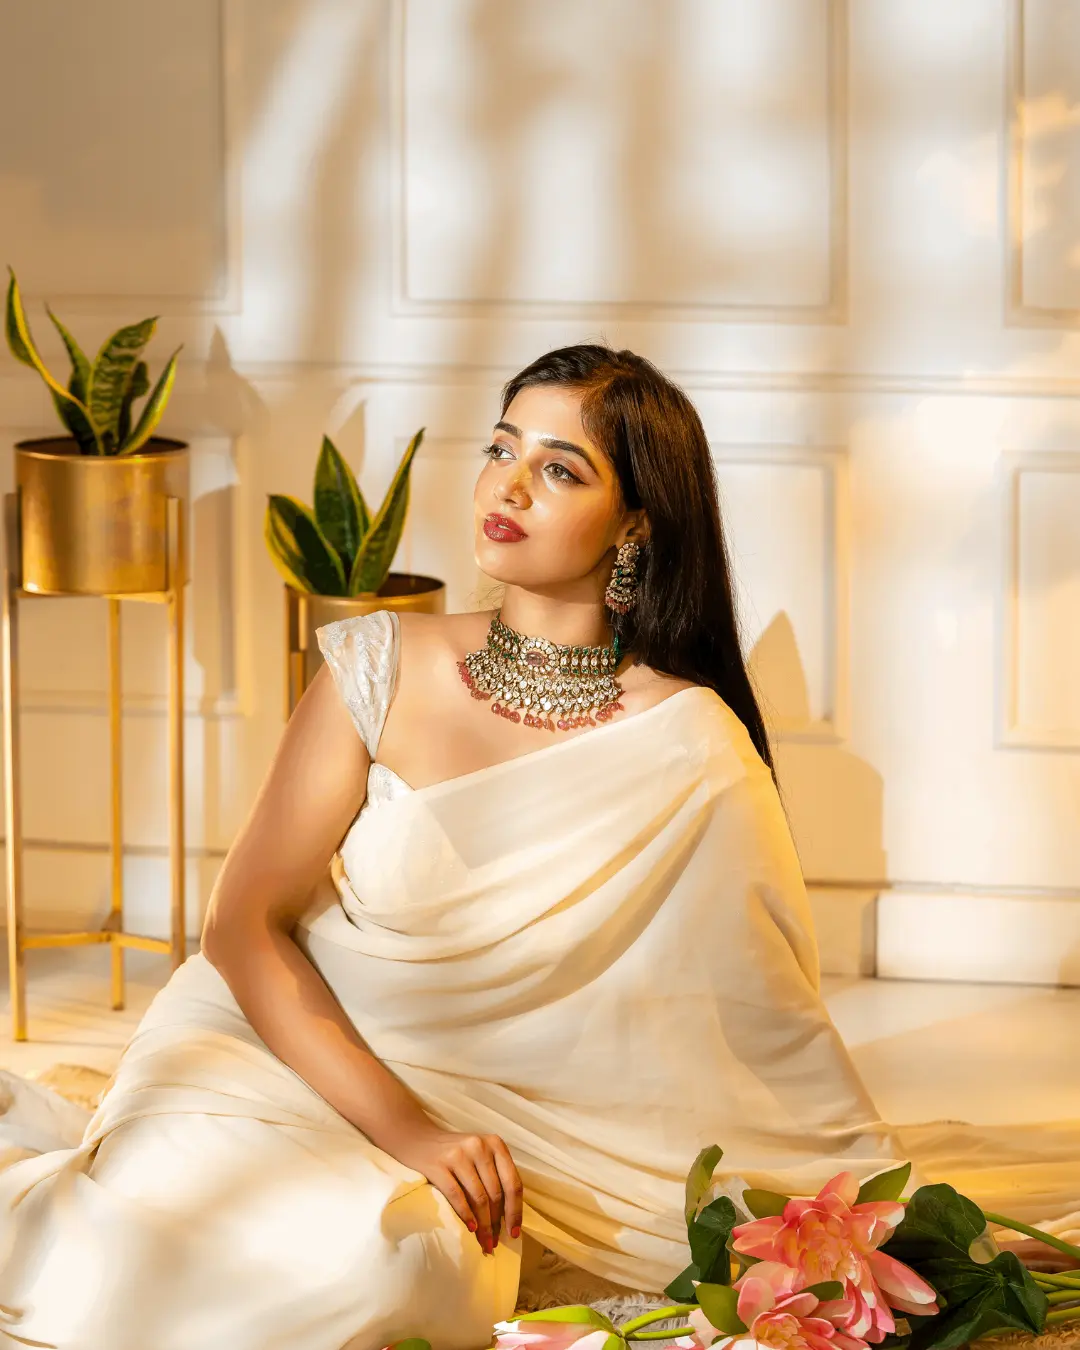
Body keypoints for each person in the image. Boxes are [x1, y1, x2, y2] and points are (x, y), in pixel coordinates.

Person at [0, 343, 1077, 1350]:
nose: (507, 487)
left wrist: (870, 1232)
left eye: (559, 470)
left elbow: (756, 1031)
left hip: (495, 1140)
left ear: (634, 525)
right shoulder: (381, 665)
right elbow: (243, 925)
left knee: (401, 1276)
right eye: (501, 448)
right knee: (160, 1248)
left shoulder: (689, 743)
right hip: (274, 1052)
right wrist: (413, 1131)